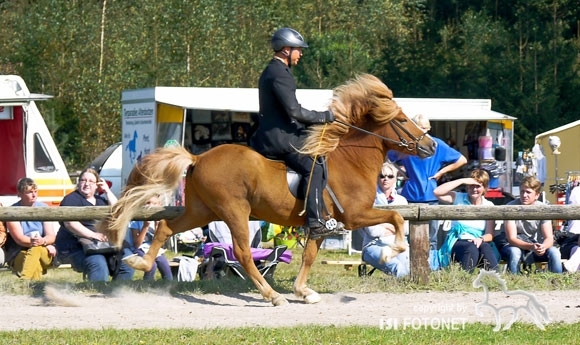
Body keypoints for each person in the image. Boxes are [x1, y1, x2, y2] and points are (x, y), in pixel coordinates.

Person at [249, 27, 340, 240]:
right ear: (285, 49)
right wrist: (324, 117)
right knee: (314, 164)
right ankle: (315, 221)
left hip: (280, 131)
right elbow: (294, 111)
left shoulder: (275, 71)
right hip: (279, 138)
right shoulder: (280, 74)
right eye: (298, 50)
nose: (301, 54)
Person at [388, 114, 467, 270]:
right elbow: (388, 158)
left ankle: (431, 269)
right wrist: (400, 173)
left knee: (431, 238)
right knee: (408, 236)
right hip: (410, 195)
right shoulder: (408, 145)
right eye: (418, 127)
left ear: (429, 128)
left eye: (424, 128)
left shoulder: (436, 145)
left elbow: (462, 159)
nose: (421, 131)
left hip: (429, 195)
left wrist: (441, 172)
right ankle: (410, 268)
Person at [55, 168, 134, 281]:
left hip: (102, 245)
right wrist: (93, 235)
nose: (86, 184)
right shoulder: (71, 199)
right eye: (83, 180)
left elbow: (117, 212)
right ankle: (97, 293)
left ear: (97, 185)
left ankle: (117, 292)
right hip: (75, 247)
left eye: (91, 181)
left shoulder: (100, 200)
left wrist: (107, 191)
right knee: (98, 263)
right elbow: (70, 223)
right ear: (79, 182)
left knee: (127, 261)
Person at [494, 176, 562, 274]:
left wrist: (542, 247)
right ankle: (514, 281)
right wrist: (531, 247)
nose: (524, 195)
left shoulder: (543, 209)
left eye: (528, 192)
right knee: (515, 252)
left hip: (535, 246)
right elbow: (512, 239)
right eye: (522, 191)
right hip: (513, 246)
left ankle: (557, 282)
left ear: (537, 195)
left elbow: (549, 238)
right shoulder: (511, 207)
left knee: (554, 252)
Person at [435, 170, 498, 272]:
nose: (474, 189)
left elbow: (490, 234)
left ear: (484, 188)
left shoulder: (489, 206)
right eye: (471, 185)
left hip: (479, 241)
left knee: (485, 247)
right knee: (470, 248)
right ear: (467, 186)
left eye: (478, 186)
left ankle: (496, 280)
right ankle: (465, 280)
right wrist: (462, 180)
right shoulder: (458, 198)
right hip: (459, 242)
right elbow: (437, 192)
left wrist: (480, 239)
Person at [360, 162, 409, 278]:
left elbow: (406, 230)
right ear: (377, 178)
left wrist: (382, 223)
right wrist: (396, 226)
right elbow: (372, 231)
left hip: (397, 244)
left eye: (390, 176)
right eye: (382, 176)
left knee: (411, 269)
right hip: (373, 245)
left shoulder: (402, 201)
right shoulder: (369, 200)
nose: (385, 179)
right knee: (399, 269)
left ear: (396, 179)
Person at [4, 178, 56, 279]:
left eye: (35, 191)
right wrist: (35, 242)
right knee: (34, 262)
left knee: (36, 249)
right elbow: (20, 239)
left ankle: (24, 280)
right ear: (20, 194)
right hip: (20, 250)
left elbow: (51, 235)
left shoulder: (44, 208)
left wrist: (43, 241)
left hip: (43, 249)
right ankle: (34, 288)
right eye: (29, 192)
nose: (34, 195)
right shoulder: (12, 211)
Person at [125, 195, 173, 280]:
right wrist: (145, 226)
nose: (151, 206)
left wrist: (157, 225)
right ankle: (147, 285)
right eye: (148, 203)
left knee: (164, 265)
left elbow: (160, 242)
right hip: (139, 249)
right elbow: (137, 244)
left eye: (155, 203)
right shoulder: (136, 220)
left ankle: (169, 285)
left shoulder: (161, 221)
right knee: (151, 265)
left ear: (159, 205)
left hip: (153, 248)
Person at [560, 185, 580, 272]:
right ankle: (568, 269)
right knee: (578, 250)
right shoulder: (576, 191)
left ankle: (568, 268)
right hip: (572, 239)